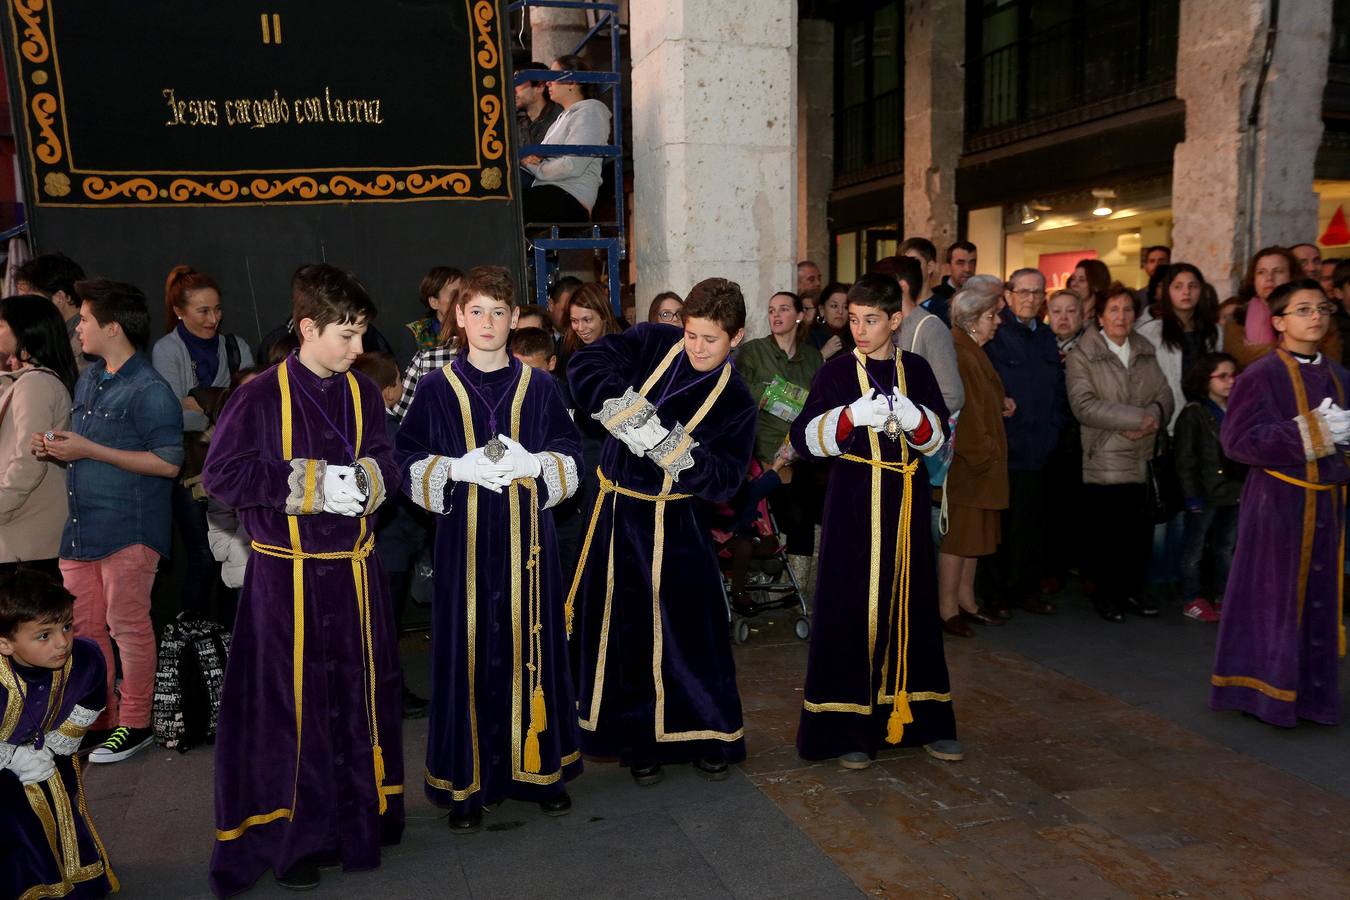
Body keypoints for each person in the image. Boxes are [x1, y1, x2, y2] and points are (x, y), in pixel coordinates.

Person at [202, 264, 404, 894]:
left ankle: (354, 824)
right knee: (295, 711)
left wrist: (369, 480)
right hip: (285, 580)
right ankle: (296, 835)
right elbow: (221, 477)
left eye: (363, 335)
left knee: (357, 700)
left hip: (354, 575)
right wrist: (309, 485)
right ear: (308, 327)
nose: (359, 349)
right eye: (347, 335)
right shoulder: (258, 395)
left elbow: (390, 461)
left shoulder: (363, 392)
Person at [395, 264, 583, 831]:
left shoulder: (544, 386)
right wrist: (453, 467)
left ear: (514, 318)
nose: (487, 322)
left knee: (535, 649)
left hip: (530, 547)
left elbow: (573, 457)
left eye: (498, 312)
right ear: (458, 316)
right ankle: (469, 784)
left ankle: (539, 771)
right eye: (476, 311)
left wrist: (540, 465)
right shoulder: (433, 388)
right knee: (470, 658)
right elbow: (404, 461)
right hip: (464, 549)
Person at [567, 277, 757, 786]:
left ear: (735, 337)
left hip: (676, 524)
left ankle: (709, 735)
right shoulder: (652, 341)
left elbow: (725, 479)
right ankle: (638, 742)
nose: (696, 347)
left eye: (710, 339)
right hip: (616, 516)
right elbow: (584, 364)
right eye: (691, 335)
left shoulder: (737, 398)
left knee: (691, 636)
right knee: (626, 632)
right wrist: (623, 408)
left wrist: (668, 446)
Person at [790, 273, 958, 769]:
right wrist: (848, 418)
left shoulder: (920, 371)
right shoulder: (836, 373)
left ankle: (922, 718)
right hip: (852, 501)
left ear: (895, 320)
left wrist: (917, 420)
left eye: (870, 320)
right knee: (849, 609)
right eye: (854, 319)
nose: (859, 329)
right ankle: (846, 730)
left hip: (905, 499)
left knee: (914, 607)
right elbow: (803, 441)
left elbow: (940, 444)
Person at [32, 281, 181, 766]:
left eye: (86, 320)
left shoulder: (152, 389)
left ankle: (135, 723)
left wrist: (87, 449)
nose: (78, 328)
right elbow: (85, 440)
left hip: (130, 528)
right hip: (82, 529)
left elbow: (168, 464)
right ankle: (97, 718)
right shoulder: (90, 378)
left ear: (112, 327)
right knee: (84, 629)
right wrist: (56, 443)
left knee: (127, 627)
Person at [1211, 279, 1350, 727]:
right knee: (1273, 600)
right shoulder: (1261, 375)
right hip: (1277, 503)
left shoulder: (1341, 375)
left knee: (1320, 601)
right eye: (1303, 309)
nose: (1316, 316)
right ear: (1278, 322)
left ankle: (1312, 696)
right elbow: (1236, 442)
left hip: (1326, 505)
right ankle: (1264, 694)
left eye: (1322, 308)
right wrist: (1312, 433)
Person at [0, 569, 117, 899]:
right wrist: (17, 757)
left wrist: (57, 744)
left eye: (66, 626)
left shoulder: (86, 658)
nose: (62, 642)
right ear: (5, 643)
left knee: (62, 805)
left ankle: (76, 882)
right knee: (16, 827)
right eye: (43, 635)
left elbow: (93, 696)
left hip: (50, 755)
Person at [1065, 284, 1174, 622]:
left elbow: (1165, 394)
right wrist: (1137, 418)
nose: (1121, 316)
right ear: (1099, 316)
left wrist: (1153, 416)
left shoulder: (1144, 348)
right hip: (1106, 456)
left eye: (1127, 310)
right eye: (1114, 309)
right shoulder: (1082, 354)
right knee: (1106, 535)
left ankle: (1133, 592)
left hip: (1142, 454)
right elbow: (1083, 405)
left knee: (1137, 534)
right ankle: (1106, 595)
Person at [152, 266, 255, 619]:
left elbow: (251, 405)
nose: (214, 318)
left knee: (238, 553)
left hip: (233, 462)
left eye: (218, 309)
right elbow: (170, 415)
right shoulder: (167, 350)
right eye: (203, 311)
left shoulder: (235, 345)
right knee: (203, 555)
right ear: (179, 311)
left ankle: (230, 634)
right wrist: (221, 402)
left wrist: (199, 401)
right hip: (189, 468)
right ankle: (191, 636)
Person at [351, 351, 430, 720]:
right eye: (399, 379)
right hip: (393, 548)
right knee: (386, 628)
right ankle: (390, 697)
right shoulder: (391, 432)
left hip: (368, 546)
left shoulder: (352, 429)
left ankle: (372, 696)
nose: (403, 386)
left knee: (370, 627)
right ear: (386, 390)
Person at [980, 268, 1064, 617]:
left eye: (1037, 293)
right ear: (1008, 295)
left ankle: (1026, 590)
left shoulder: (1046, 336)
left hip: (1040, 449)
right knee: (1002, 530)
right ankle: (997, 595)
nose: (1030, 299)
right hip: (1007, 450)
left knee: (1032, 527)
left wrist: (1053, 429)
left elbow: (1057, 390)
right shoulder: (996, 336)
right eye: (1024, 292)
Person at [734, 291, 825, 584]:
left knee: (822, 499)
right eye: (771, 309)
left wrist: (785, 398)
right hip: (767, 450)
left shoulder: (812, 356)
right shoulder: (753, 351)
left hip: (807, 450)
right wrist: (774, 395)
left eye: (783, 309)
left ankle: (805, 582)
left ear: (799, 315)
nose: (775, 315)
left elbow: (821, 404)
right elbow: (740, 393)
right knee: (796, 508)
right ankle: (793, 581)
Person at [939, 281, 1008, 638]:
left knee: (975, 539)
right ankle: (947, 608)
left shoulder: (973, 350)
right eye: (991, 315)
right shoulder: (960, 353)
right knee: (959, 540)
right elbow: (962, 413)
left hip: (981, 462)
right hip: (970, 464)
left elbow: (983, 401)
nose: (997, 321)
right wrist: (986, 452)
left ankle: (967, 600)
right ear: (971, 319)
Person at [0, 296, 79, 578]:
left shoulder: (36, 384)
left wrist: (2, 506)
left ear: (25, 331)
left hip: (25, 536)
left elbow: (28, 457)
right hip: (28, 534)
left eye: (1, 325)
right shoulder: (32, 380)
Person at [1174, 352, 1242, 623]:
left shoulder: (1236, 411)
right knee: (1195, 548)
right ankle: (1191, 597)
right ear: (1205, 380)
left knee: (1225, 547)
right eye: (1223, 376)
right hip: (1205, 493)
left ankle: (1224, 595)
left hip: (1233, 491)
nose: (1230, 381)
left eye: (1233, 375)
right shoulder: (1194, 413)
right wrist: (1191, 496)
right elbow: (1185, 459)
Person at [521, 55, 612, 224]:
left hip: (570, 197)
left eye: (553, 78)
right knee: (504, 202)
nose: (548, 83)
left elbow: (572, 165)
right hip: (551, 192)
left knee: (508, 207)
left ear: (571, 82)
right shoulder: (562, 119)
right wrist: (531, 161)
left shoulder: (591, 111)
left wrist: (536, 167)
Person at [1226, 246, 1342, 369]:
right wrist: (1296, 349)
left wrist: (1260, 350)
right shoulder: (1238, 318)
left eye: (1278, 271)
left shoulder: (1317, 314)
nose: (1269, 278)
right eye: (1261, 272)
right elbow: (1239, 360)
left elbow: (1329, 360)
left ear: (1292, 277)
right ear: (1253, 279)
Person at [893, 256, 964, 417]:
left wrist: (917, 422)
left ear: (902, 287)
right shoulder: (892, 325)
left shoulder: (931, 327)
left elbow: (952, 396)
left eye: (882, 286)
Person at [15, 253, 87, 370]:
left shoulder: (86, 342)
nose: (24, 310)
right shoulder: (57, 336)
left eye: (30, 300)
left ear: (59, 298)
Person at [405, 266, 463, 352]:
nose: (461, 299)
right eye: (454, 295)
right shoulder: (417, 333)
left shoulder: (474, 329)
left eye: (464, 293)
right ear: (434, 302)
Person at [514, 59, 562, 148]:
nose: (514, 90)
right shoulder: (518, 125)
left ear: (540, 87)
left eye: (519, 83)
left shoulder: (559, 120)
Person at [927, 241, 977, 318]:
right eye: (960, 263)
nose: (967, 269)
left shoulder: (981, 295)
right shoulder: (934, 297)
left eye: (972, 263)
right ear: (948, 267)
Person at [815, 282, 853, 359]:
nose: (840, 311)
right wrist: (822, 355)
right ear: (822, 310)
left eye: (845, 307)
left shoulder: (855, 336)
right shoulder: (810, 337)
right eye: (834, 306)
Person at [1047, 289, 1085, 359]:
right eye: (1056, 311)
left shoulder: (1095, 344)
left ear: (1082, 316)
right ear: (1049, 317)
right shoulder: (1040, 346)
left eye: (1070, 311)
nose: (1063, 317)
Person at [1135, 245, 1171, 310]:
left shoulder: (1178, 293)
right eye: (1152, 261)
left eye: (1161, 261)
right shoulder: (1137, 296)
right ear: (1146, 266)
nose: (1156, 265)